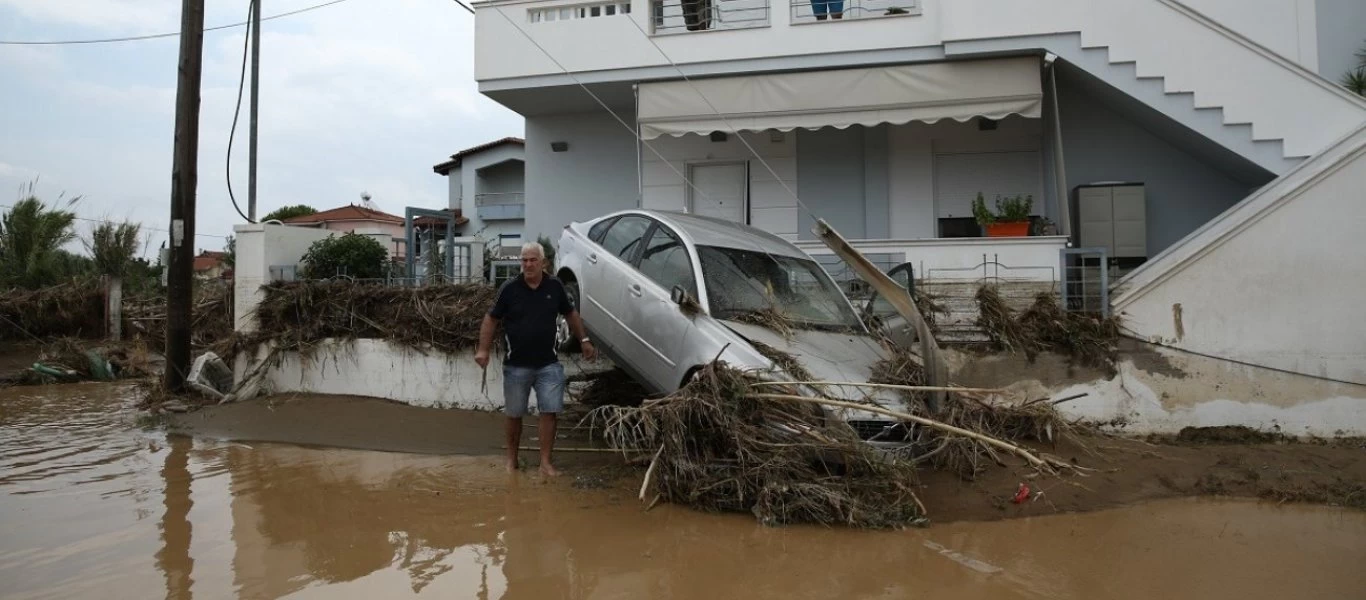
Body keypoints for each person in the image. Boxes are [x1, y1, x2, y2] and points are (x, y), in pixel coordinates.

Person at [476, 242, 596, 476]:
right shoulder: (510, 289)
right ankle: (511, 461)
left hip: (548, 364)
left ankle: (545, 463)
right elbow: (491, 319)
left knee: (549, 412)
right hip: (516, 365)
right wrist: (483, 349)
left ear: (543, 262)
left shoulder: (555, 286)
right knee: (514, 413)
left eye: (532, 260)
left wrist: (584, 341)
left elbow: (570, 313)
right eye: (524, 260)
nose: (528, 264)